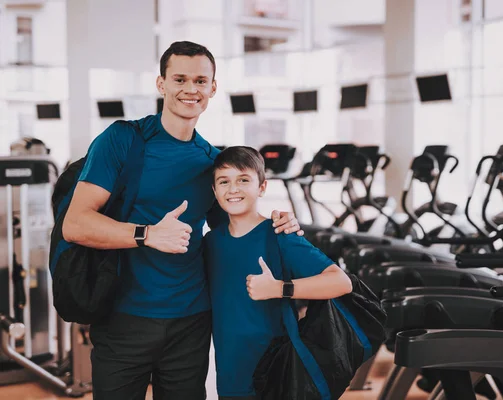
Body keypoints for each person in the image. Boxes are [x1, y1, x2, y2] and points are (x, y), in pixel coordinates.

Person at [62, 41, 302, 400]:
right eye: (180, 79)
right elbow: (76, 224)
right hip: (124, 318)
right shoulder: (122, 140)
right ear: (162, 84)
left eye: (201, 81)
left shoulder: (211, 161)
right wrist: (146, 234)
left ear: (212, 88)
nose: (191, 89)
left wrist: (281, 224)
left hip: (191, 322)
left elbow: (235, 231)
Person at [204, 146, 353, 400]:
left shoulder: (280, 235)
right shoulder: (210, 243)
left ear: (262, 187)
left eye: (243, 180)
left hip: (278, 373)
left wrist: (280, 288)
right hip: (230, 376)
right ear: (214, 191)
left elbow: (341, 282)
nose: (233, 189)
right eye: (224, 181)